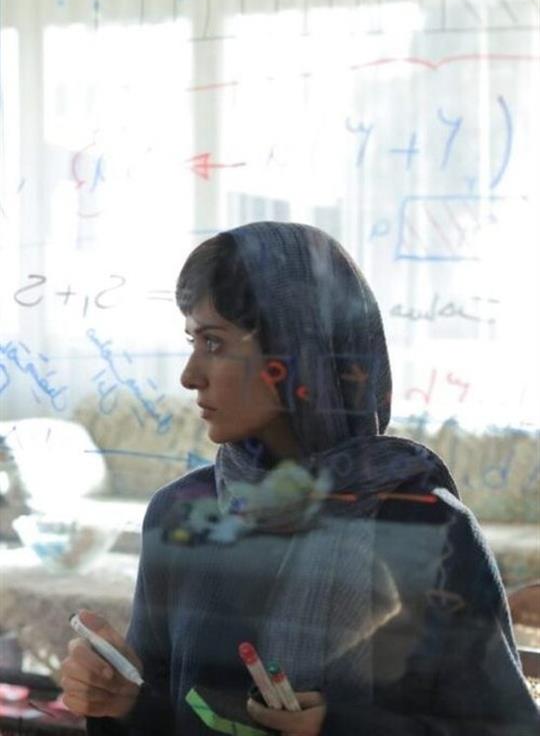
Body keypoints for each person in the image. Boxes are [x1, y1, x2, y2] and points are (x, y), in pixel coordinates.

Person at [60, 222, 539, 735]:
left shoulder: (426, 526)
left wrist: (338, 728)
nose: (189, 375)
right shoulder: (180, 511)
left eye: (214, 343)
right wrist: (121, 702)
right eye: (192, 341)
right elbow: (170, 714)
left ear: (297, 355)